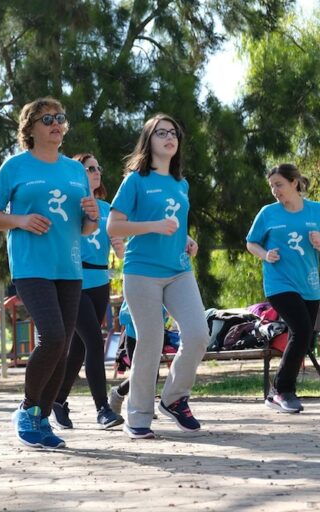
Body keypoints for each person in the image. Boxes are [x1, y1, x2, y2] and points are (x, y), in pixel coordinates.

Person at [0, 97, 99, 448]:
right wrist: (19, 220)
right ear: (30, 127)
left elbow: (85, 229)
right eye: (47, 118)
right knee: (54, 337)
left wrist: (92, 215)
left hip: (69, 266)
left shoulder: (76, 171)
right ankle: (28, 408)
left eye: (61, 117)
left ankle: (40, 419)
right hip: (32, 266)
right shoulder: (15, 167)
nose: (56, 124)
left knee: (62, 347)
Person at [107, 113, 209, 439]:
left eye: (174, 132)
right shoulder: (135, 180)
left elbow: (176, 223)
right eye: (161, 132)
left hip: (179, 270)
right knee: (150, 342)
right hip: (142, 272)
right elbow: (114, 226)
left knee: (197, 334)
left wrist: (187, 239)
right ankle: (138, 418)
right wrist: (151, 227)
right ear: (148, 140)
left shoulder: (182, 184)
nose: (169, 137)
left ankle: (174, 398)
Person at [52, 153, 125, 430]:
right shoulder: (67, 204)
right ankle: (103, 409)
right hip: (73, 281)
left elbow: (118, 245)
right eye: (89, 168)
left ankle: (57, 400)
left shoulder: (107, 208)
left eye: (98, 167)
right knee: (95, 342)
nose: (96, 172)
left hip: (100, 282)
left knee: (80, 349)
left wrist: (120, 247)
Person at [246, 163, 320, 413]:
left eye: (279, 185)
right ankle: (282, 391)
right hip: (279, 284)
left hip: (309, 283)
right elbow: (251, 243)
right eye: (272, 186)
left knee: (306, 337)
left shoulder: (316, 210)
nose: (275, 191)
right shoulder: (268, 213)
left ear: (294, 183)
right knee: (301, 329)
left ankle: (279, 392)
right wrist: (265, 255)